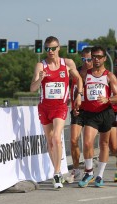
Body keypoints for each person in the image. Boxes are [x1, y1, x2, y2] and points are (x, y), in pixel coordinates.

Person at [30, 36, 83, 189]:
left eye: (53, 48)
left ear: (59, 48)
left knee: (56, 138)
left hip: (60, 106)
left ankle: (57, 172)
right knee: (50, 141)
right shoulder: (41, 65)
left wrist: (78, 94)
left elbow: (79, 79)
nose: (50, 51)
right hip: (45, 107)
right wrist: (40, 79)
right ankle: (57, 171)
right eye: (47, 49)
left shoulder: (67, 63)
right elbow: (33, 89)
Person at [78, 46, 117, 188]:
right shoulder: (85, 73)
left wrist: (108, 99)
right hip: (90, 114)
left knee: (104, 144)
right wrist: (78, 99)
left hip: (106, 113)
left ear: (103, 59)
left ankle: (100, 175)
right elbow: (78, 88)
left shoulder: (109, 76)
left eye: (98, 57)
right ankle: (89, 171)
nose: (95, 59)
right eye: (93, 57)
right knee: (87, 142)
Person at [65, 47, 93, 183]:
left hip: (93, 110)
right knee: (73, 140)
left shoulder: (98, 73)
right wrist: (72, 103)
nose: (86, 62)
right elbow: (71, 89)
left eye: (89, 59)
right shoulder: (76, 73)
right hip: (78, 109)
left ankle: (90, 168)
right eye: (83, 59)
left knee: (89, 142)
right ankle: (76, 170)